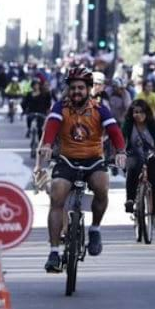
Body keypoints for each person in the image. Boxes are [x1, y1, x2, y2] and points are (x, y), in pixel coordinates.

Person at [35, 67, 127, 272]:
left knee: (102, 186)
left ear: (89, 89)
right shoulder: (60, 107)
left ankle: (95, 229)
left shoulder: (100, 109)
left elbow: (114, 130)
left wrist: (120, 150)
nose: (76, 91)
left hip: (93, 160)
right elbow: (51, 126)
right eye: (73, 88)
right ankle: (54, 252)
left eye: (81, 88)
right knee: (57, 193)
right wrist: (47, 145)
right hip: (67, 160)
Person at [122, 99, 155, 226]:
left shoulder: (154, 124)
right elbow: (122, 139)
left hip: (153, 154)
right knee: (132, 169)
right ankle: (130, 200)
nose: (138, 115)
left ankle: (153, 214)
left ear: (147, 113)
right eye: (135, 112)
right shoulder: (128, 124)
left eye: (141, 112)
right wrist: (120, 152)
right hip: (134, 155)